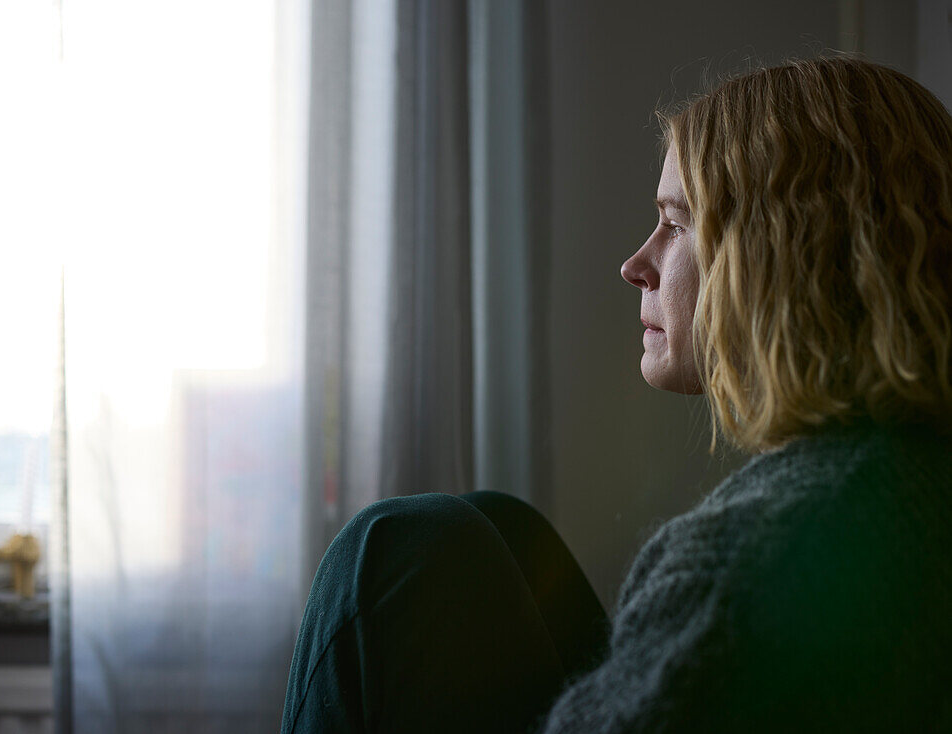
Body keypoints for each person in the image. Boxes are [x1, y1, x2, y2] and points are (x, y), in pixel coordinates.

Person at [282, 55, 952, 733]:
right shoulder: (914, 480)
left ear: (787, 250)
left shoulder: (753, 559)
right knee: (504, 531)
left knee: (397, 547)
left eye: (677, 224)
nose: (636, 265)